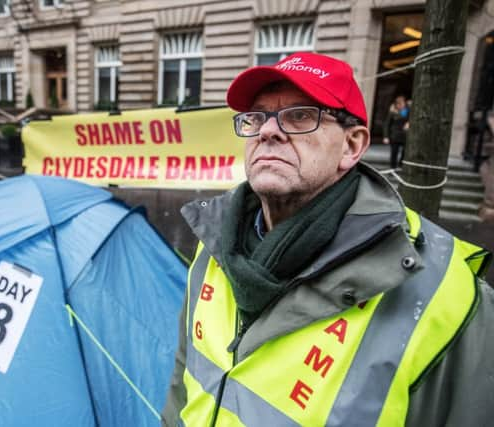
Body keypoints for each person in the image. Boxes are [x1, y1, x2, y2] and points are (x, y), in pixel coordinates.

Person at [162, 52, 493, 426]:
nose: (268, 132)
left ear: (352, 146)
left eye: (300, 116)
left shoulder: (442, 293)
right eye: (256, 118)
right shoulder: (213, 243)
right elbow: (183, 381)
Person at [382, 95, 410, 169]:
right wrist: (386, 136)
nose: (400, 105)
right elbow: (387, 125)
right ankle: (393, 167)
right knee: (394, 152)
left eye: (401, 103)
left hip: (405, 135)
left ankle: (401, 166)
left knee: (404, 152)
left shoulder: (408, 111)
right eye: (398, 103)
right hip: (395, 135)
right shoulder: (392, 112)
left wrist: (409, 123)